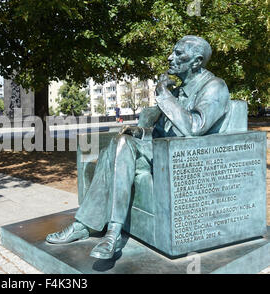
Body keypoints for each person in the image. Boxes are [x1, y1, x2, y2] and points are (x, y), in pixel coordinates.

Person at [46, 35, 231, 259]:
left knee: (118, 147)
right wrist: (143, 128)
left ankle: (97, 228)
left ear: (197, 61)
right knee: (117, 144)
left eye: (179, 53)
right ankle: (102, 230)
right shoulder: (178, 91)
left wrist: (164, 96)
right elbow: (158, 129)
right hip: (160, 151)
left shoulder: (215, 87)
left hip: (188, 160)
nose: (170, 57)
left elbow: (194, 127)